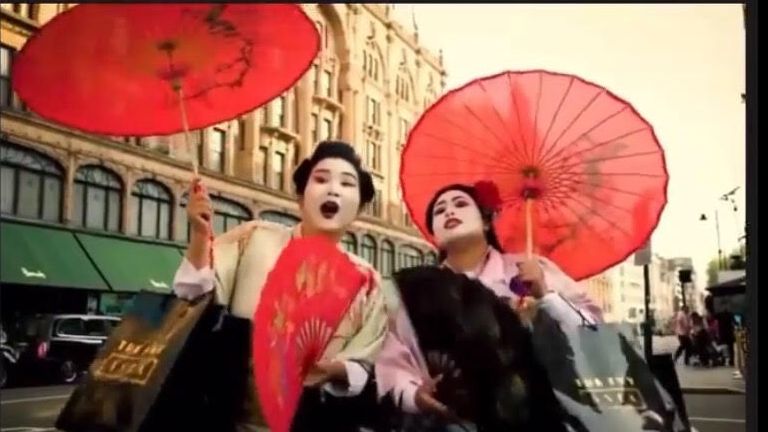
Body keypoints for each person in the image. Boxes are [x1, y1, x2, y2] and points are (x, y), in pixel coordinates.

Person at [172, 141, 388, 432]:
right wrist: (200, 235)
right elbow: (190, 292)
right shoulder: (254, 238)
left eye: (347, 183)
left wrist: (329, 370)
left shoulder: (368, 281)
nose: (333, 189)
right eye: (321, 179)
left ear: (359, 208)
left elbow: (362, 364)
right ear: (300, 197)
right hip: (232, 417)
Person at [375, 182, 602, 428]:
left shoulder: (532, 270)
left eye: (460, 204)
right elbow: (392, 359)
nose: (449, 211)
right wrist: (413, 395)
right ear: (435, 236)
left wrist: (546, 297)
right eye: (440, 211)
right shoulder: (418, 293)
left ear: (485, 221)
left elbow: (593, 332)